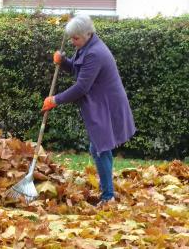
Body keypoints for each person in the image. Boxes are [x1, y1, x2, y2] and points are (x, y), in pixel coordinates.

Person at [41, 14, 136, 207]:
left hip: (107, 105)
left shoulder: (95, 53)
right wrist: (64, 61)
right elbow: (80, 70)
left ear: (87, 34)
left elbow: (82, 86)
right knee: (101, 148)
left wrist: (55, 100)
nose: (72, 41)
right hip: (102, 102)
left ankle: (108, 196)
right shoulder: (87, 46)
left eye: (75, 38)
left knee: (100, 148)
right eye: (71, 38)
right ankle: (108, 193)